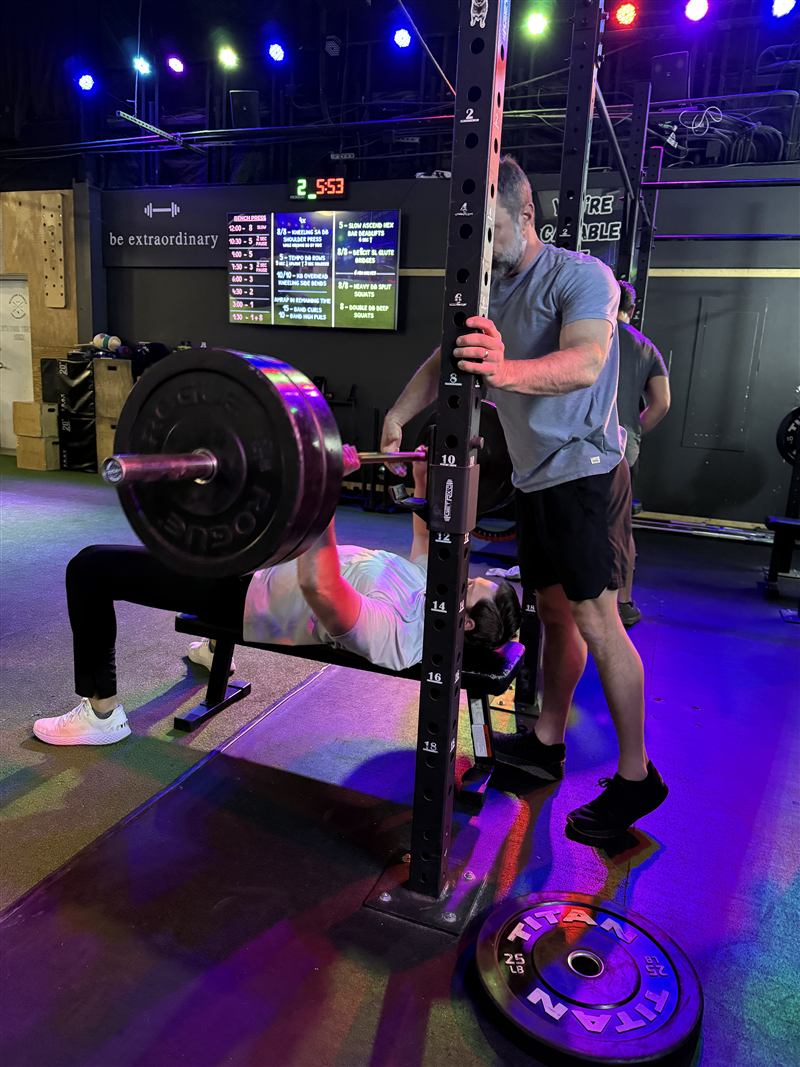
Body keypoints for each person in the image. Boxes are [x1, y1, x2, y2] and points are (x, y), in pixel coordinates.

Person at [381, 156, 668, 841]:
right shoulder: (489, 290)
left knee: (600, 622)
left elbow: (586, 360)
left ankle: (636, 778)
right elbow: (444, 356)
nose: (483, 247)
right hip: (539, 478)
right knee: (552, 614)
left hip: (583, 473)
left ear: (526, 216)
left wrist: (502, 370)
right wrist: (398, 415)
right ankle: (545, 739)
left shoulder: (580, 276)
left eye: (494, 230)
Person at [33, 446, 520, 747]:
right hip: (266, 562)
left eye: (471, 586)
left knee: (92, 566)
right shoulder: (433, 598)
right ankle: (210, 650)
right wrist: (421, 471)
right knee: (227, 507)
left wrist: (325, 490)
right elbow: (423, 533)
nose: (463, 577)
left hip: (241, 593)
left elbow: (322, 587)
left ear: (469, 622)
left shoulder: (399, 636)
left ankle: (101, 713)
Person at [615, 279, 671, 627]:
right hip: (623, 451)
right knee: (621, 528)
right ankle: (623, 602)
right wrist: (634, 431)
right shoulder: (646, 347)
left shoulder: (587, 338)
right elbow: (662, 403)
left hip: (579, 448)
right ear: (632, 310)